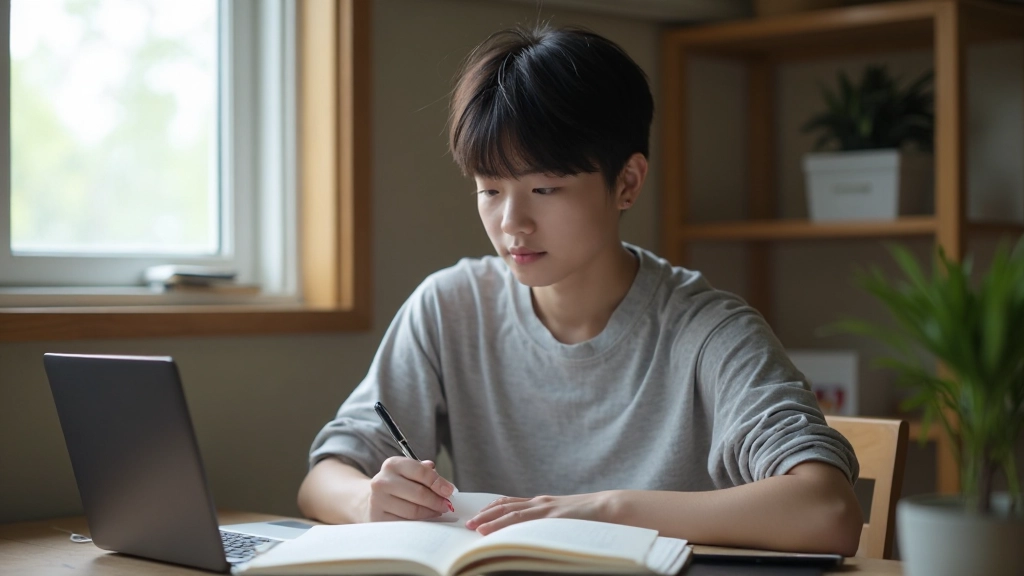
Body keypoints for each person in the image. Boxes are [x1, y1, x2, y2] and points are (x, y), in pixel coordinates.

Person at [297, 24, 863, 555]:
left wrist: (607, 510)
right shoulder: (451, 307)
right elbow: (324, 478)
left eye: (545, 188)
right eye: (490, 189)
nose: (512, 223)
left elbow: (828, 509)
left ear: (627, 182)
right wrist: (369, 499)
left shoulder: (708, 330)